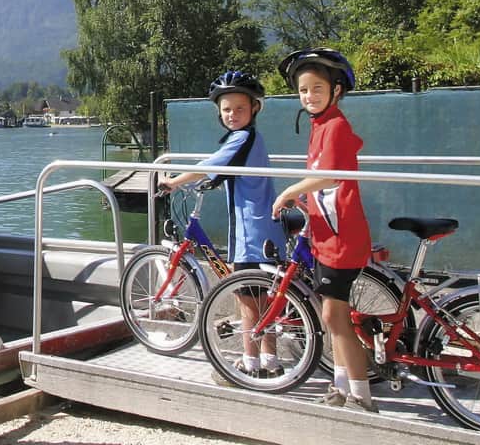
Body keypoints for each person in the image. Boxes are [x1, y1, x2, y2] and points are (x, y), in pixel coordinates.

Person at [270, 47, 377, 413]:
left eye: (317, 88)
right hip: (327, 233)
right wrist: (306, 200)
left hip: (342, 236)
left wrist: (289, 191)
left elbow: (330, 176)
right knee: (333, 315)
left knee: (334, 317)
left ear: (336, 91)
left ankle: (361, 396)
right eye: (303, 90)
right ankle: (341, 387)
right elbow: (325, 184)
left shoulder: (335, 126)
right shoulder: (319, 127)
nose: (309, 96)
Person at [160, 70, 281, 381]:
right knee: (262, 296)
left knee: (247, 297)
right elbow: (227, 171)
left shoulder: (243, 138)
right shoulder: (249, 140)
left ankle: (249, 363)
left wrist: (174, 181)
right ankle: (270, 359)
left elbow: (210, 165)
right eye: (226, 109)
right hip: (260, 226)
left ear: (255, 108)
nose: (232, 115)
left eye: (240, 108)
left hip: (251, 231)